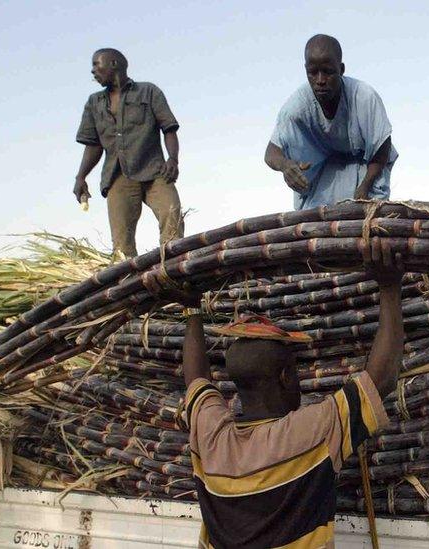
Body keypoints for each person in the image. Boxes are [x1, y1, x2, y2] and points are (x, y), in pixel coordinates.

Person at [178, 238, 404, 548]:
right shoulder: (308, 433)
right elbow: (382, 380)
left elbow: (196, 378)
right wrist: (390, 288)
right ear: (285, 377)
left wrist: (192, 309)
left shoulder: (212, 437)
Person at [265, 34, 397, 210]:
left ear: (341, 69)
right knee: (315, 226)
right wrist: (285, 165)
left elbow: (382, 148)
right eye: (313, 73)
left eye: (328, 72)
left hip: (367, 169)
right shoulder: (295, 108)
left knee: (367, 219)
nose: (320, 80)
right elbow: (271, 152)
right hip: (322, 175)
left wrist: (365, 185)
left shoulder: (365, 97)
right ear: (306, 70)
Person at [74, 48, 184, 259]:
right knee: (122, 246)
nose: (93, 71)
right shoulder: (94, 103)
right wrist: (81, 176)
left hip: (155, 171)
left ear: (114, 64)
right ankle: (130, 284)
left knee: (172, 218)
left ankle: (172, 271)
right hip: (117, 176)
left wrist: (173, 159)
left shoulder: (148, 92)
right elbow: (94, 145)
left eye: (96, 65)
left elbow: (168, 128)